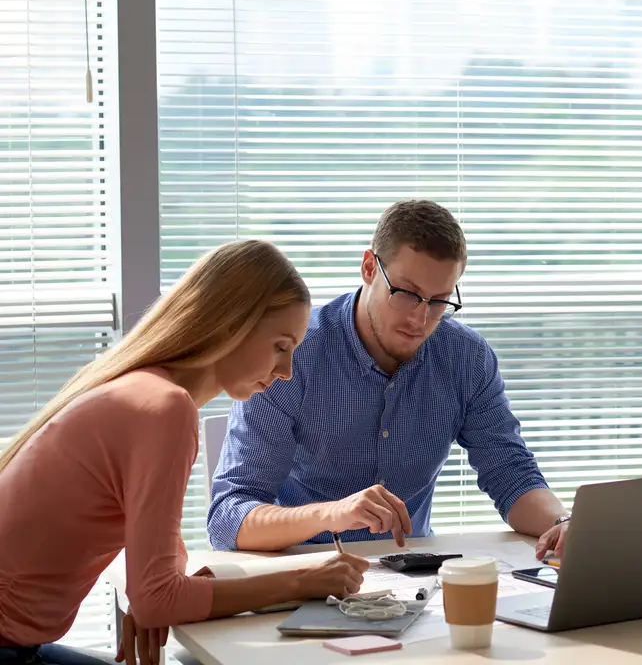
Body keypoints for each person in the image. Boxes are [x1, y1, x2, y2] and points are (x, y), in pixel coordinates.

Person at [0, 241, 369, 665]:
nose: (286, 372)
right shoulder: (164, 409)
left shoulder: (145, 389)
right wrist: (302, 582)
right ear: (231, 325)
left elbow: (163, 567)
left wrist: (164, 594)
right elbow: (158, 599)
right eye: (280, 347)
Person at [207, 200, 572, 561]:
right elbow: (228, 517)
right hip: (308, 569)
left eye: (439, 301)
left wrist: (564, 524)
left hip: (413, 572)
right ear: (369, 268)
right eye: (407, 294)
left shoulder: (466, 358)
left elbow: (510, 474)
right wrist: (332, 514)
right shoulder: (293, 355)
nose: (420, 319)